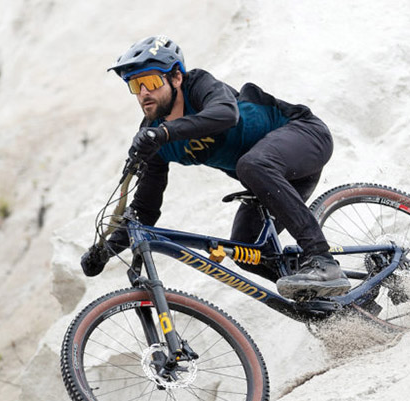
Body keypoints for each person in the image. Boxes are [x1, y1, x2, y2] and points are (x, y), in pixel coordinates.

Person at [80, 34, 349, 300]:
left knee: (251, 165)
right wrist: (106, 249)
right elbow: (145, 210)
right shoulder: (154, 137)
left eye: (150, 81)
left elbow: (225, 114)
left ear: (176, 77)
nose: (143, 93)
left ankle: (323, 261)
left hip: (305, 136)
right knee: (247, 252)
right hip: (271, 182)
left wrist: (164, 133)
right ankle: (334, 303)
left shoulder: (197, 85)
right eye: (135, 85)